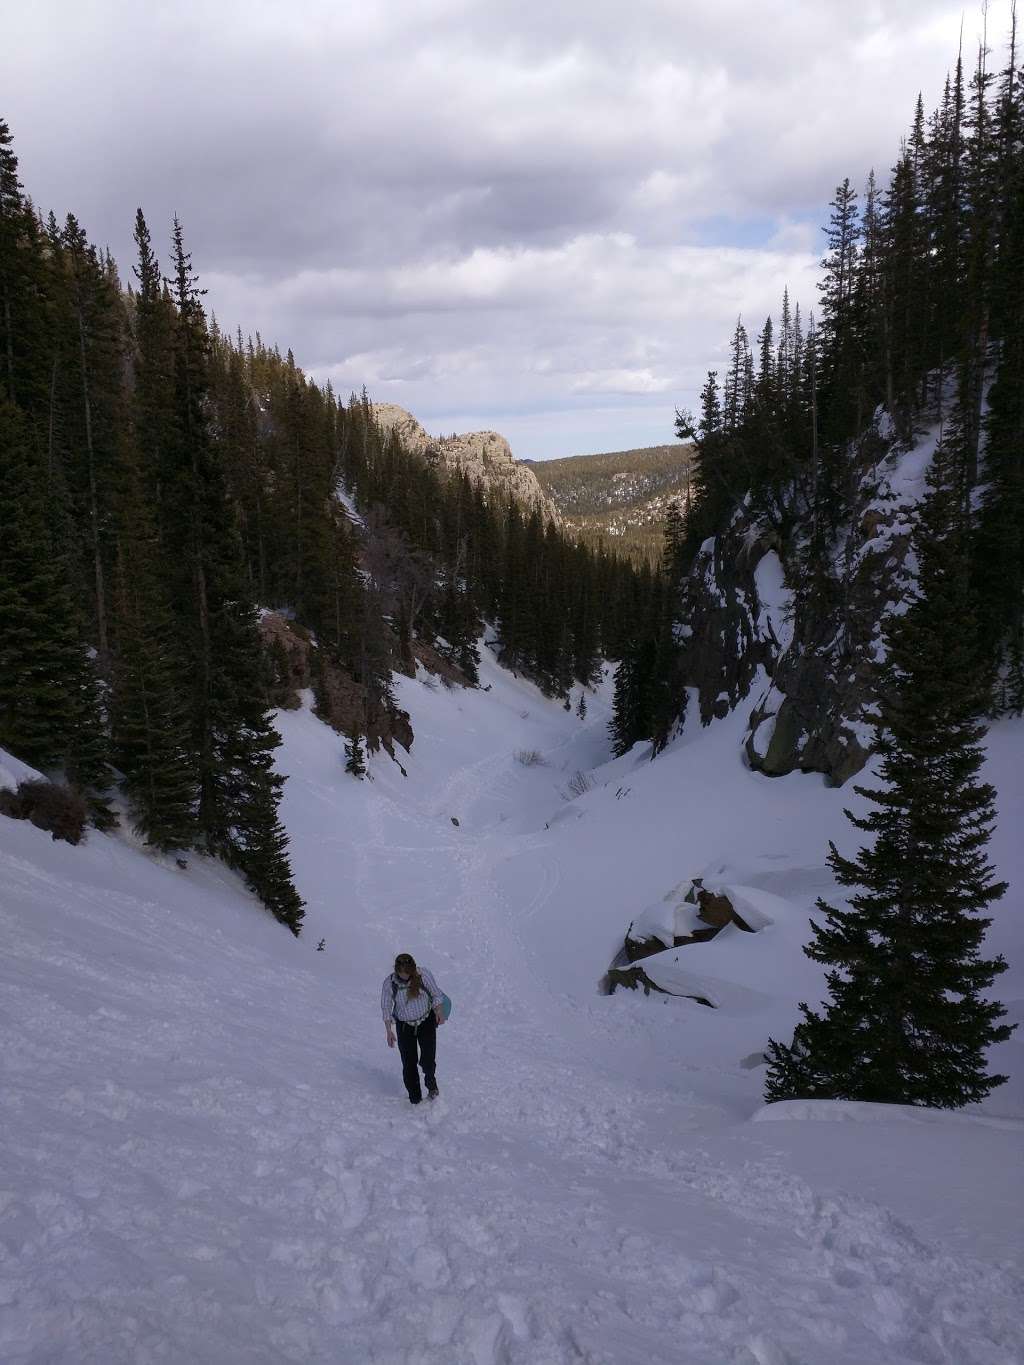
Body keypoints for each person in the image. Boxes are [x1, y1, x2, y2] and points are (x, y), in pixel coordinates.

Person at [382, 953, 446, 1104]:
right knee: (409, 1063)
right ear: (396, 971)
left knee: (428, 1060)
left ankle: (432, 1087)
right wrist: (389, 1031)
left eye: (408, 975)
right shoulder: (390, 983)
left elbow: (436, 995)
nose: (406, 978)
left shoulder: (423, 975)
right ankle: (415, 1099)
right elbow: (386, 1007)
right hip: (404, 1027)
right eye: (402, 975)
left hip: (426, 1022)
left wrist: (439, 1011)